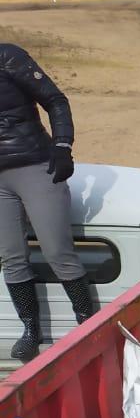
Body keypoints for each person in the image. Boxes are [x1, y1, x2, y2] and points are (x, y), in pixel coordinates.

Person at [0, 42, 96, 363]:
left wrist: (63, 146)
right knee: (11, 257)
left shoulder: (8, 57)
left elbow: (55, 99)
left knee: (58, 252)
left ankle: (87, 324)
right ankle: (30, 331)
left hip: (34, 165)